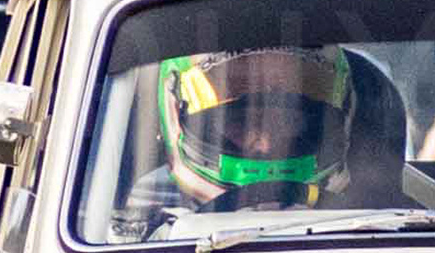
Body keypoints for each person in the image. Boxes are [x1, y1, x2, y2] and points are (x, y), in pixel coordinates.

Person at [153, 45, 416, 215]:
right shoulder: (143, 214)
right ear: (176, 110)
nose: (264, 143)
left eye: (288, 122)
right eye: (238, 123)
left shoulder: (378, 227)